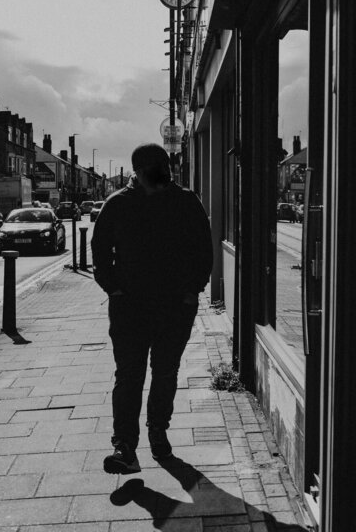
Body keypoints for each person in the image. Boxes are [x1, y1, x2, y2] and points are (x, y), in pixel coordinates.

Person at [91, 143, 213, 475]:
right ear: (140, 171)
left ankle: (158, 432)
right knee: (129, 376)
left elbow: (203, 249)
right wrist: (113, 289)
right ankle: (125, 448)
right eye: (157, 169)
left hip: (174, 307)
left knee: (164, 373)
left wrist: (192, 292)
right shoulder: (118, 204)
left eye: (165, 168)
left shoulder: (185, 201)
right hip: (129, 308)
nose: (164, 175)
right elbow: (99, 252)